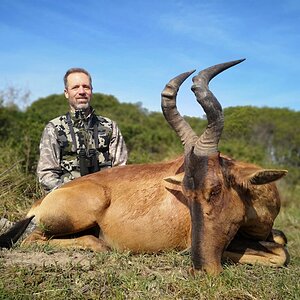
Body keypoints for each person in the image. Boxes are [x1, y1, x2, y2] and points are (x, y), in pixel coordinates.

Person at [37, 67, 128, 193]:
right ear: (66, 92)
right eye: (75, 87)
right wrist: (70, 196)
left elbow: (121, 170)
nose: (81, 92)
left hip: (106, 197)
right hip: (68, 198)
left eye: (86, 87)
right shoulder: (54, 128)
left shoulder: (110, 126)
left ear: (91, 91)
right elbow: (46, 174)